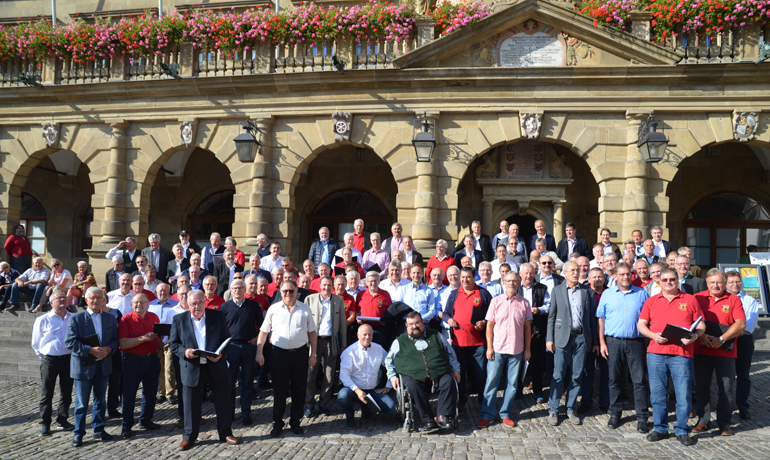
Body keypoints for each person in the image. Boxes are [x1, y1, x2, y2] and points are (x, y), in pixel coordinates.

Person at [637, 267, 705, 446]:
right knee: (658, 395)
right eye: (665, 279)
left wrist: (694, 336)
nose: (668, 282)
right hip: (656, 354)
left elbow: (701, 325)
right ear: (659, 281)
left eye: (672, 279)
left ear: (678, 281)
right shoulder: (651, 301)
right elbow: (641, 325)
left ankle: (682, 429)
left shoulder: (690, 299)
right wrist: (653, 335)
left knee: (683, 395)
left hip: (682, 355)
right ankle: (660, 428)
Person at [169, 289, 238, 450]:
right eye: (193, 304)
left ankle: (226, 432)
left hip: (215, 365)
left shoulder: (217, 316)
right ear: (187, 304)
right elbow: (173, 344)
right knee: (191, 404)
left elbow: (226, 339)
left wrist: (221, 354)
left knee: (223, 401)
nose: (197, 306)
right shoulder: (179, 319)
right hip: (192, 367)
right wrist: (185, 352)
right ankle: (189, 436)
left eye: (200, 302)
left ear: (205, 302)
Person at [256, 280, 317, 437]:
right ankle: (278, 423)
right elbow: (263, 332)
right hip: (279, 354)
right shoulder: (273, 309)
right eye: (285, 291)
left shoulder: (305, 309)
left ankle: (295, 422)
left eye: (291, 291)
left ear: (297, 291)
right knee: (279, 390)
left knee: (299, 389)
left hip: (300, 354)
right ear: (280, 292)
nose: (288, 293)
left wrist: (313, 354)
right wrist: (259, 351)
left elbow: (312, 333)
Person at [596, 262, 651, 432]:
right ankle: (615, 414)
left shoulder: (642, 294)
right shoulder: (607, 294)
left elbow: (650, 319)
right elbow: (601, 319)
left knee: (639, 381)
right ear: (615, 276)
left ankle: (642, 417)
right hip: (614, 342)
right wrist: (602, 342)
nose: (625, 277)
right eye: (622, 275)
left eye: (628, 274)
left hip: (636, 343)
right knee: (614, 380)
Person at [386, 312, 461, 432]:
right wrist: (392, 376)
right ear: (406, 325)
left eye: (417, 323)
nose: (414, 326)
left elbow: (450, 353)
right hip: (412, 375)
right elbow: (389, 360)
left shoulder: (436, 335)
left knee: (448, 381)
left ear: (423, 323)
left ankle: (443, 416)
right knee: (412, 386)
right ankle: (427, 419)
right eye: (411, 324)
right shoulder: (399, 341)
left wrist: (456, 370)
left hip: (439, 372)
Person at [692, 269, 745, 436]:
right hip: (701, 350)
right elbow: (690, 320)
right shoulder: (697, 298)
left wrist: (721, 339)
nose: (716, 285)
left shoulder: (734, 299)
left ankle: (724, 422)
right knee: (701, 387)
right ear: (707, 283)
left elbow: (741, 324)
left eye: (719, 282)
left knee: (726, 389)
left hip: (725, 352)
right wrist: (701, 337)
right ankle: (703, 420)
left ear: (725, 283)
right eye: (712, 282)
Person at [65, 286, 119, 447]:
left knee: (100, 401)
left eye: (99, 298)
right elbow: (70, 342)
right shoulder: (77, 318)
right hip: (83, 366)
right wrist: (90, 350)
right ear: (86, 300)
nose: (96, 301)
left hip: (103, 365)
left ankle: (98, 429)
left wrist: (110, 348)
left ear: (104, 300)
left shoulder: (110, 318)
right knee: (81, 403)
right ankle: (79, 433)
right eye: (92, 298)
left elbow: (115, 340)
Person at [478, 272, 532, 428]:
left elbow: (527, 328)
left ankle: (505, 413)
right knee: (491, 383)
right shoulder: (496, 302)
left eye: (515, 281)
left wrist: (527, 350)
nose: (512, 283)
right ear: (503, 282)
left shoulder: (524, 303)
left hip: (517, 349)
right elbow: (489, 326)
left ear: (519, 282)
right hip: (498, 348)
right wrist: (489, 347)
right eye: (508, 281)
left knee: (512, 384)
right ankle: (487, 414)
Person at [546, 261, 597, 426]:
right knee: (558, 375)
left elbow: (592, 319)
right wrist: (549, 338)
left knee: (577, 375)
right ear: (565, 273)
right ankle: (553, 409)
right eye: (573, 270)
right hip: (562, 337)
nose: (576, 273)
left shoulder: (587, 291)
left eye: (578, 270)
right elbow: (552, 316)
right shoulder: (557, 290)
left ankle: (570, 408)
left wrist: (594, 340)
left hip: (581, 338)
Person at [444, 266, 492, 413]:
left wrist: (484, 322)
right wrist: (449, 320)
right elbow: (445, 313)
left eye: (468, 277)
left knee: (481, 374)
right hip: (458, 343)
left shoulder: (483, 293)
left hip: (479, 343)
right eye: (462, 277)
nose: (464, 280)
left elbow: (492, 315)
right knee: (460, 375)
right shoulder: (453, 294)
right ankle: (462, 401)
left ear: (474, 277)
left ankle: (482, 402)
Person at [31, 287, 74, 436]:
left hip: (68, 359)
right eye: (59, 298)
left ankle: (62, 419)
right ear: (51, 302)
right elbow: (35, 342)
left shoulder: (73, 317)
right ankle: (45, 422)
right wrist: (44, 356)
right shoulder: (42, 319)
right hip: (50, 360)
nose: (62, 300)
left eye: (64, 298)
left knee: (67, 392)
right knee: (46, 393)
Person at [117, 293, 162, 438]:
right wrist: (143, 339)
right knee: (129, 394)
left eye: (142, 302)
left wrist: (160, 349)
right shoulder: (126, 319)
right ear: (132, 304)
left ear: (148, 303)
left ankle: (146, 420)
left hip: (152, 359)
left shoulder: (154, 317)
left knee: (150, 393)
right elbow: (123, 343)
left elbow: (160, 336)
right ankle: (127, 425)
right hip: (132, 361)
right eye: (136, 302)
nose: (139, 305)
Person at [219, 279, 263, 426]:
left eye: (240, 288)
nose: (237, 290)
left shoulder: (253, 305)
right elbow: (220, 330)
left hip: (249, 347)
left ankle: (246, 413)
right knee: (230, 382)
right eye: (234, 288)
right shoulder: (225, 307)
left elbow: (262, 326)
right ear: (231, 291)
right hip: (231, 348)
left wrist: (257, 339)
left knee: (247, 382)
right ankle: (230, 412)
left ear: (245, 289)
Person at [338, 324, 396, 430]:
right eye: (364, 334)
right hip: (353, 390)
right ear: (358, 335)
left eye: (370, 335)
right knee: (343, 395)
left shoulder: (378, 349)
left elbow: (390, 366)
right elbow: (344, 375)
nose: (367, 337)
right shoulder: (349, 352)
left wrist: (388, 386)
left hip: (372, 390)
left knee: (391, 408)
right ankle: (350, 418)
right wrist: (357, 391)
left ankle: (367, 409)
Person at [304, 276, 348, 417]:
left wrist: (343, 344)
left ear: (333, 286)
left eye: (329, 285)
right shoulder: (310, 299)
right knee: (311, 374)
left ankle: (324, 403)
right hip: (314, 342)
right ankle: (309, 404)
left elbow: (342, 325)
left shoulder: (338, 300)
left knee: (329, 375)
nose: (326, 288)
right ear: (320, 285)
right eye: (324, 285)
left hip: (331, 342)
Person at [725, 271, 758, 420]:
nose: (735, 284)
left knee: (743, 374)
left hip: (743, 340)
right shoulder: (723, 299)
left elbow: (748, 323)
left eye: (737, 281)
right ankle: (725, 406)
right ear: (726, 283)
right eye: (731, 281)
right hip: (726, 341)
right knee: (726, 375)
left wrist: (731, 332)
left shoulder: (749, 300)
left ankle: (743, 406)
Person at [517, 263, 548, 403]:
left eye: (531, 273)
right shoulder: (515, 287)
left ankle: (537, 390)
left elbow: (549, 305)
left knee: (537, 362)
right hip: (517, 330)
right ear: (520, 274)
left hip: (536, 330)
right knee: (516, 361)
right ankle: (516, 389)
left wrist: (539, 310)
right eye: (526, 273)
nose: (529, 276)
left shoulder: (542, 288)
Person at [148, 283, 179, 405]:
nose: (163, 293)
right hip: (155, 341)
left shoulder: (176, 305)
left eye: (165, 291)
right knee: (158, 368)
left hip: (169, 340)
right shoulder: (150, 305)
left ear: (169, 291)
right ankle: (161, 392)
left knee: (170, 368)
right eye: (161, 290)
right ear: (156, 291)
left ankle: (170, 394)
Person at [356, 271, 392, 348]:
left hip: (380, 329)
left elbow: (390, 311)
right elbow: (356, 310)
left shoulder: (385, 294)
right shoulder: (361, 294)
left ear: (379, 281)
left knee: (380, 351)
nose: (373, 283)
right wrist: (357, 319)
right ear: (366, 282)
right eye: (371, 281)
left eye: (375, 281)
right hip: (365, 329)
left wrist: (385, 321)